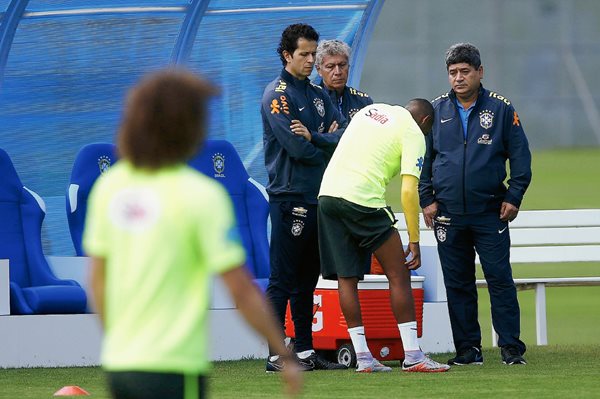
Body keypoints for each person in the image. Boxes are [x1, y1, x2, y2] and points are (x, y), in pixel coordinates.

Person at [84, 69, 302, 399]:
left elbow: (98, 280)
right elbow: (241, 290)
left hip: (121, 366)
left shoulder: (110, 187)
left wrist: (119, 339)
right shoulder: (200, 195)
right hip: (175, 367)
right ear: (188, 126)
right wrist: (284, 354)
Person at [419, 43, 532, 366]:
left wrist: (514, 196)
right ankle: (468, 350)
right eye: (453, 72)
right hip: (447, 215)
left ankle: (511, 348)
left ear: (480, 72)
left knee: (499, 279)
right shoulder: (436, 110)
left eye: (465, 71)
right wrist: (426, 199)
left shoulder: (501, 109)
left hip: (490, 212)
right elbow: (423, 160)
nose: (458, 78)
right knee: (458, 283)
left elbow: (521, 158)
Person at [318, 99, 450, 373]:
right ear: (425, 123)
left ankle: (363, 358)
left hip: (327, 196)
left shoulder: (370, 110)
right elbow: (407, 192)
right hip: (362, 201)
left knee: (347, 278)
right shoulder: (414, 132)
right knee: (398, 273)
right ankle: (413, 356)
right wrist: (414, 239)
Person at [261, 23, 347, 372]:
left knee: (307, 279)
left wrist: (314, 137)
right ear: (286, 55)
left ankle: (307, 351)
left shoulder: (316, 93)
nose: (312, 60)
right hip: (289, 197)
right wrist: (319, 143)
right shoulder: (277, 95)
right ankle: (275, 354)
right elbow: (295, 149)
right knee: (283, 278)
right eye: (305, 54)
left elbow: (343, 135)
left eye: (314, 53)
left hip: (317, 197)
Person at [315, 39, 373, 122]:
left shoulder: (363, 101)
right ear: (319, 70)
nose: (338, 72)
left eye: (342, 65)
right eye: (330, 66)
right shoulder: (309, 100)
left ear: (348, 67)